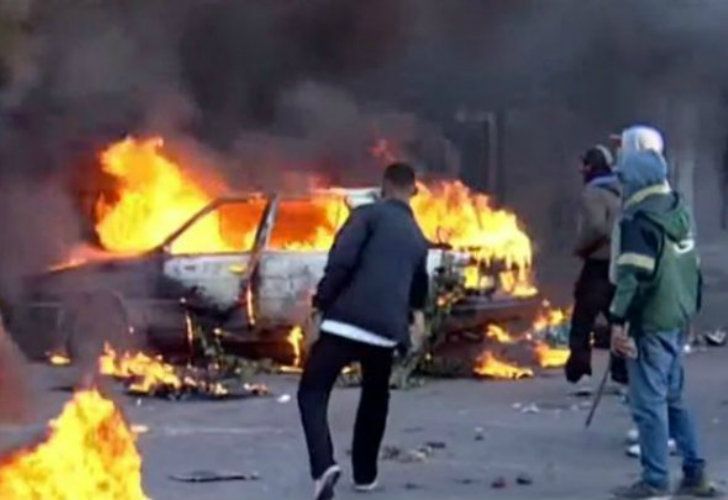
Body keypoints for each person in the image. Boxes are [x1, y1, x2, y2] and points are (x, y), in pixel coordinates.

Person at [297, 162, 429, 500]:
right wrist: (415, 319)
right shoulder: (417, 236)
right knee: (375, 396)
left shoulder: (367, 215)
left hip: (346, 320)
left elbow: (341, 260)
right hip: (386, 330)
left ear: (383, 186)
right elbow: (418, 288)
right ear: (413, 192)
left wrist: (320, 303)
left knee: (312, 392)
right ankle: (365, 475)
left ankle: (323, 465)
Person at [609, 126, 720, 499]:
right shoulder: (678, 212)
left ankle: (655, 481)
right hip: (676, 317)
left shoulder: (639, 223)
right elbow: (692, 269)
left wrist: (618, 322)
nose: (621, 186)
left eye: (624, 179)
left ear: (636, 181)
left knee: (648, 404)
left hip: (650, 323)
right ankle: (695, 473)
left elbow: (632, 280)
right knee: (673, 399)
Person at [565, 145, 627, 386]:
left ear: (591, 167)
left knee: (583, 317)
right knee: (617, 317)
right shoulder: (620, 189)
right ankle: (622, 370)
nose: (581, 170)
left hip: (599, 263)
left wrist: (580, 248)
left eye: (584, 165)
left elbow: (596, 227)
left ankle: (578, 367)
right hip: (620, 263)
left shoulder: (593, 193)